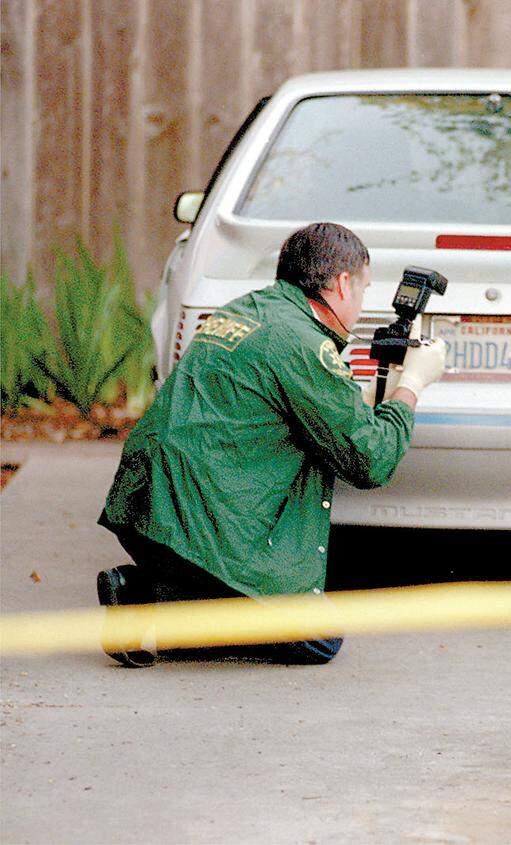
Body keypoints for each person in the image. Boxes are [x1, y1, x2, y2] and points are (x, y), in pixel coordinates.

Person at [96, 222, 446, 667]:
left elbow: (288, 401)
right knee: (320, 639)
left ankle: (160, 595)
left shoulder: (245, 311)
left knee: (242, 599)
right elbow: (370, 462)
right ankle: (150, 601)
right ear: (341, 283)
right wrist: (412, 385)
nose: (361, 304)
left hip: (147, 511)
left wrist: (379, 391)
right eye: (362, 289)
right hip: (204, 520)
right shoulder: (302, 343)